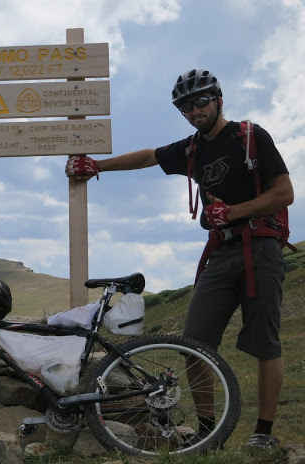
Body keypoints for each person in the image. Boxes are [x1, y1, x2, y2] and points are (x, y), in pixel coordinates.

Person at [65, 69, 293, 450]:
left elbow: (284, 193)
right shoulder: (192, 149)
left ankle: (263, 434)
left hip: (261, 249)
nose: (193, 111)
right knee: (194, 343)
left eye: (200, 102)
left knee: (265, 343)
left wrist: (233, 212)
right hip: (220, 253)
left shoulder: (251, 137)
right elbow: (150, 157)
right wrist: (97, 166)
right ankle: (209, 433)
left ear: (218, 99)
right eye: (185, 106)